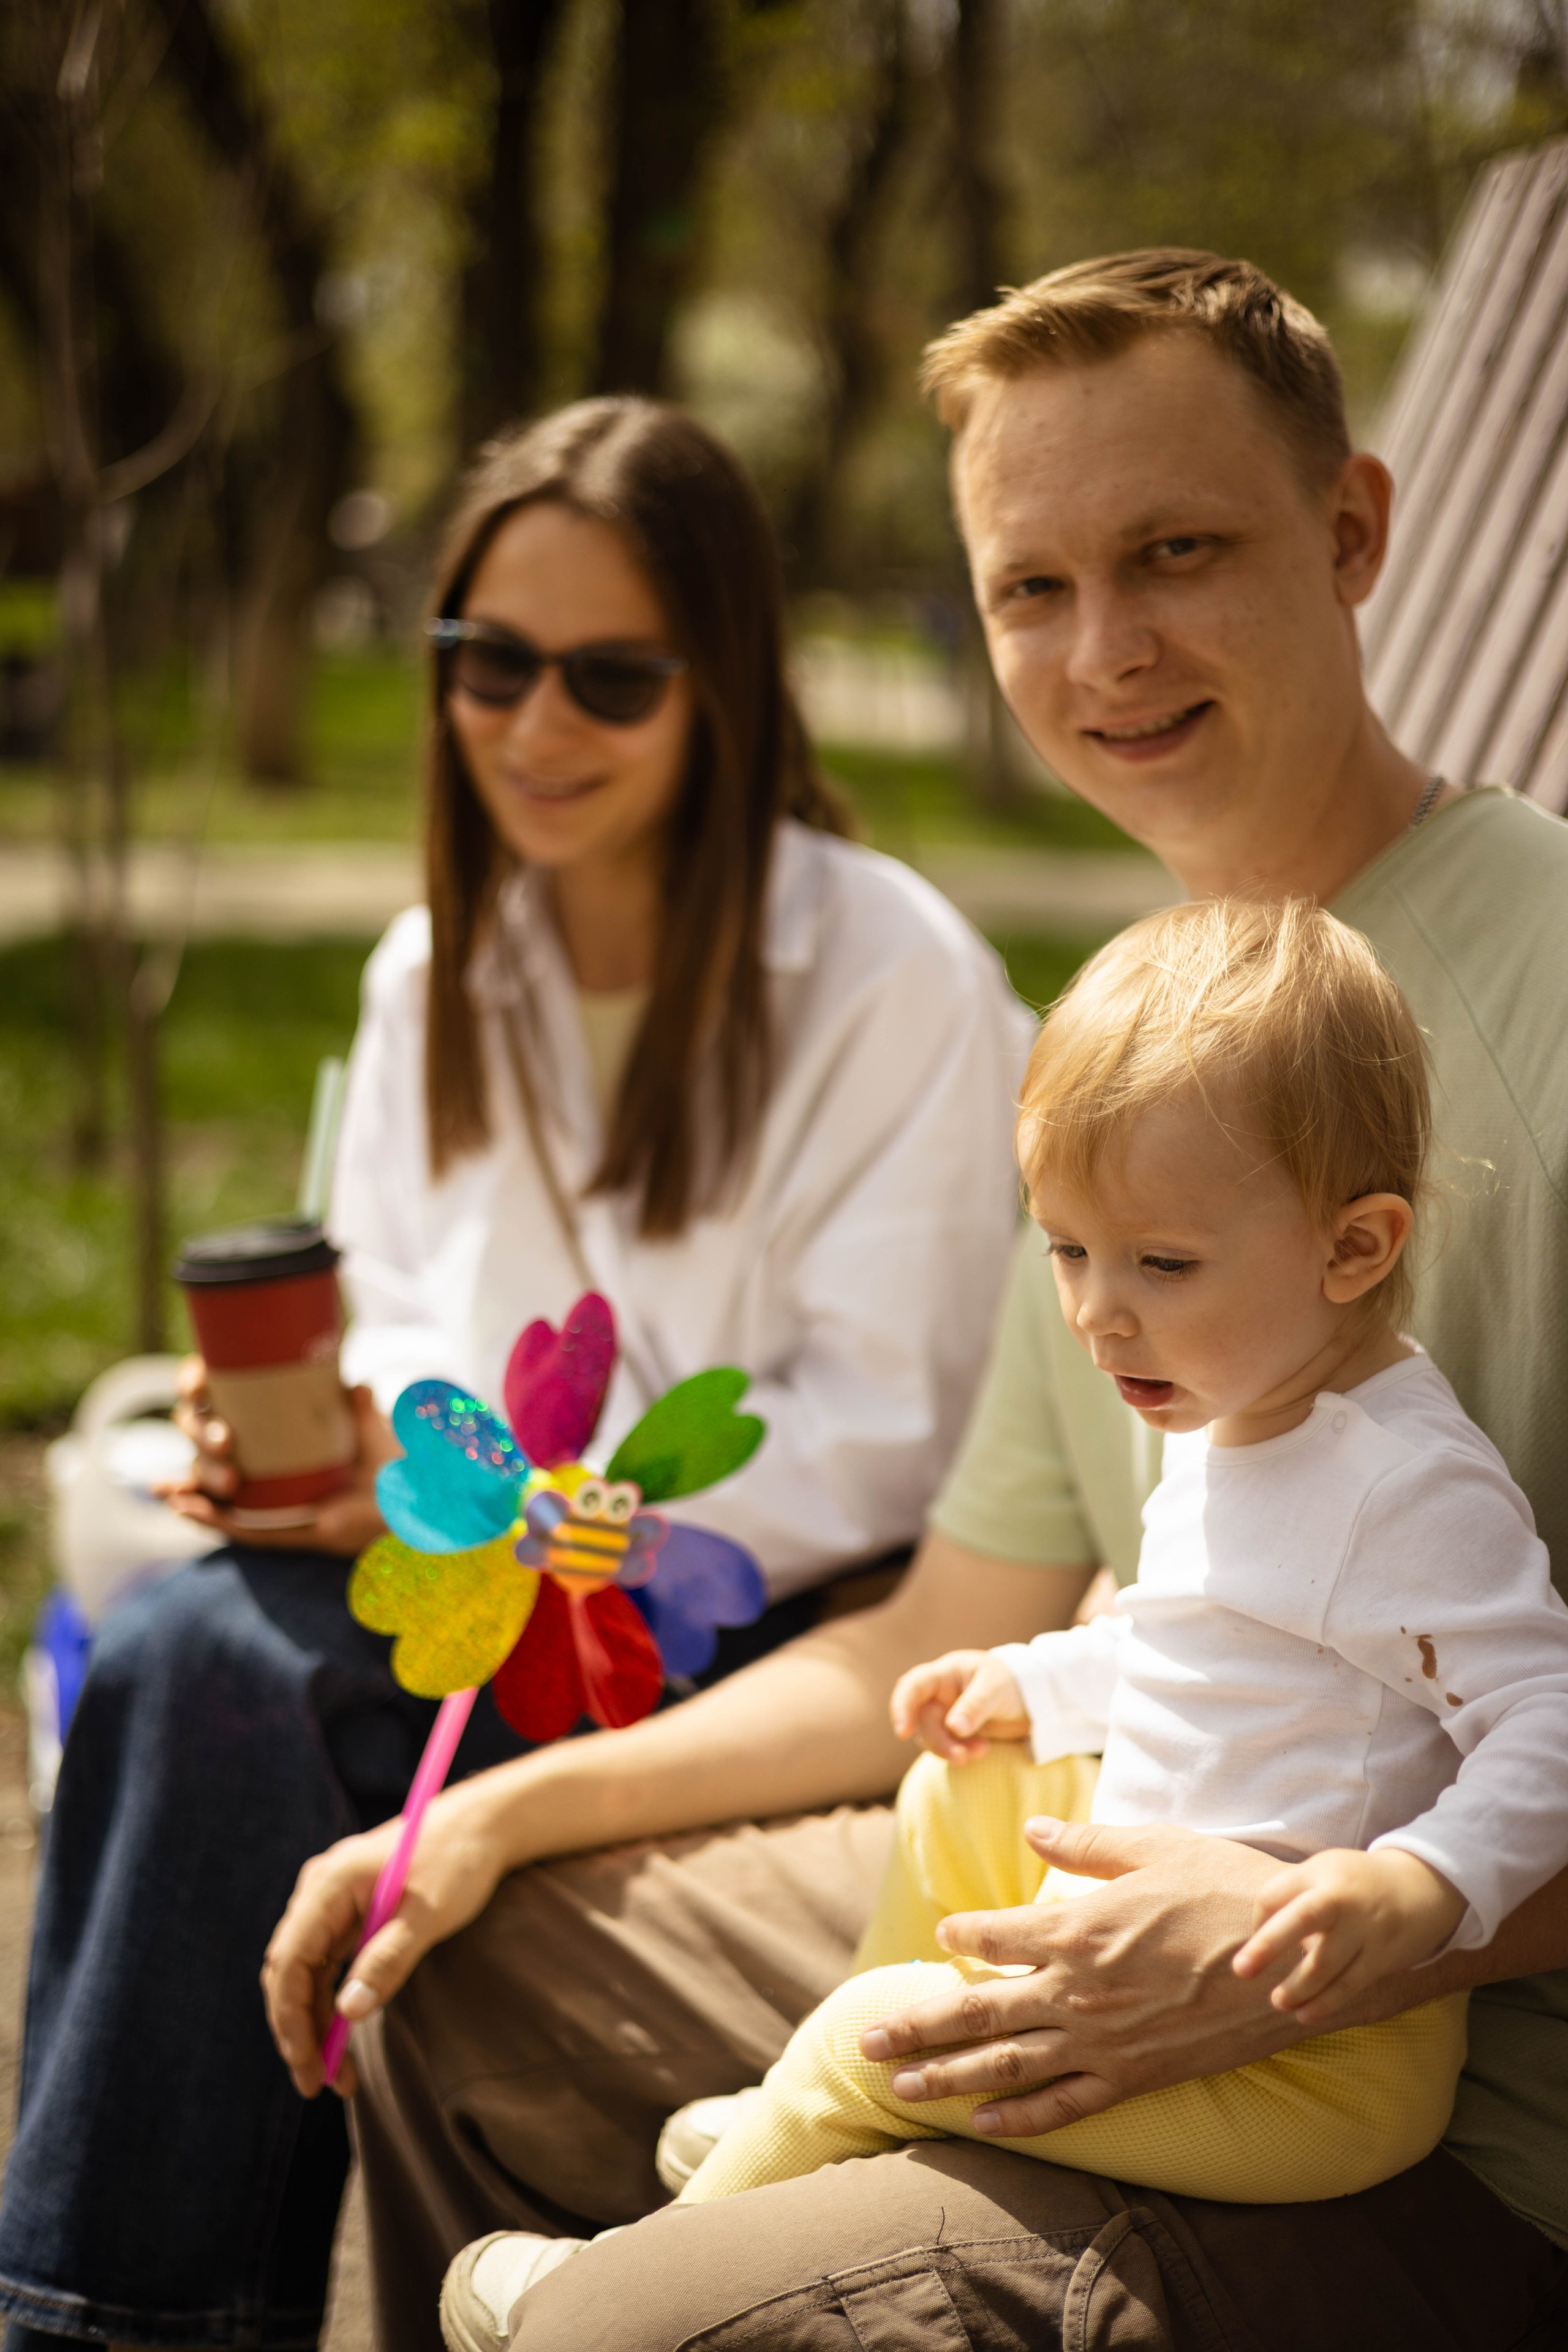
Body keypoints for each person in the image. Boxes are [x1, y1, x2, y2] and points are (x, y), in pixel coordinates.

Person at [265, 255, 1568, 2352]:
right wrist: (496, 1817)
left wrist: (1341, 1937)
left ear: (1353, 537)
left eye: (1176, 554)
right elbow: (955, 1620)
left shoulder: (1552, 995)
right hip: (1100, 1887)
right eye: (1029, 589)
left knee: (613, 2334)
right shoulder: (1133, 1080)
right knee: (451, 1972)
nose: (1105, 651)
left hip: (1456, 2131)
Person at [0, 398, 1029, 2352]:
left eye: (610, 676)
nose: (534, 725)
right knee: (175, 1647)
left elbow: (879, 1443)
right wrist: (347, 1447)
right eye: (487, 662)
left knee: (213, 1672)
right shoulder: (434, 973)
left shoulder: (888, 976)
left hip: (746, 1635)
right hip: (459, 1603)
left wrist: (507, 1512)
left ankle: (92, 2329)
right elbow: (401, 1318)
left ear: (721, 682)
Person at [660, 900, 1568, 2215]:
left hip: (1313, 2059)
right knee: (958, 1787)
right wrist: (1039, 1682)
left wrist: (1416, 1884)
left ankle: (673, 2237)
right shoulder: (1235, 1405)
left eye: (1160, 1261)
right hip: (1166, 1955)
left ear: (1352, 1247)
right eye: (1067, 1250)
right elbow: (1207, 1649)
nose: (1095, 1311)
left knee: (864, 2040)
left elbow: (1544, 1714)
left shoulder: (1399, 1484)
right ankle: (869, 2104)